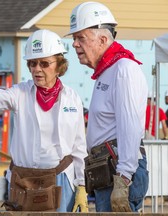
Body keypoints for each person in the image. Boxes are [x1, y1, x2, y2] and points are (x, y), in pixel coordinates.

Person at [0, 29, 88, 212]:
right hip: (22, 180)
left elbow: (79, 145)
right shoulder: (20, 93)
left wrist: (81, 185)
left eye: (44, 63)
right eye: (32, 63)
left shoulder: (72, 98)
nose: (37, 69)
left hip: (61, 178)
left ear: (59, 65)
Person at [66, 1, 149, 212]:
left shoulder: (124, 70)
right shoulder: (108, 71)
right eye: (74, 38)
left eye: (80, 38)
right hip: (108, 171)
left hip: (119, 173)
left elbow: (129, 127)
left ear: (103, 39)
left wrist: (123, 178)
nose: (75, 44)